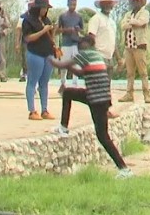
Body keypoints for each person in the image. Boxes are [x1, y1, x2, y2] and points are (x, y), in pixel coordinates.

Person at [48, 34, 133, 178]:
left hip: (96, 99)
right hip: (99, 97)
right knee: (68, 92)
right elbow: (82, 72)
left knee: (103, 136)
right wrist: (69, 66)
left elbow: (60, 65)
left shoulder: (84, 55)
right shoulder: (96, 56)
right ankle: (63, 127)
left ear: (83, 46)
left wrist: (48, 57)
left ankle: (124, 169)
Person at [21, 0, 57, 121]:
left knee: (44, 83)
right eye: (43, 8)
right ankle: (32, 111)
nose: (45, 10)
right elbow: (28, 38)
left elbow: (50, 37)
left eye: (46, 8)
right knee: (32, 81)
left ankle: (44, 110)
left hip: (48, 53)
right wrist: (43, 30)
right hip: (35, 53)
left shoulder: (47, 20)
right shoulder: (28, 21)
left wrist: (52, 30)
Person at [119, 0, 150, 103]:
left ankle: (147, 94)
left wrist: (131, 22)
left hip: (139, 46)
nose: (136, 3)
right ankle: (129, 94)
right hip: (128, 46)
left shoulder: (145, 13)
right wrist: (133, 23)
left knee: (143, 72)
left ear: (141, 2)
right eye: (134, 1)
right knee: (130, 73)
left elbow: (142, 22)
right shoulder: (128, 14)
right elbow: (123, 25)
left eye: (138, 1)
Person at [56, 0, 85, 92]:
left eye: (74, 5)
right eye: (71, 4)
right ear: (68, 4)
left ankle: (75, 85)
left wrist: (78, 30)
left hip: (75, 43)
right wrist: (67, 30)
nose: (73, 6)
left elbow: (83, 30)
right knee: (64, 65)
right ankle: (63, 83)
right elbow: (57, 30)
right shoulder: (63, 16)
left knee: (76, 65)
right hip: (65, 43)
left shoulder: (79, 16)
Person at [87, 0, 119, 68]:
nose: (107, 6)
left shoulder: (112, 22)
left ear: (112, 6)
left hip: (109, 57)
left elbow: (113, 41)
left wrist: (118, 58)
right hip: (99, 56)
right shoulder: (96, 18)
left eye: (109, 3)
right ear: (101, 5)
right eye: (105, 4)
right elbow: (91, 37)